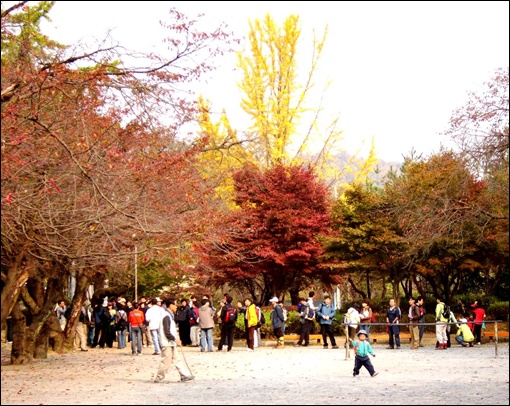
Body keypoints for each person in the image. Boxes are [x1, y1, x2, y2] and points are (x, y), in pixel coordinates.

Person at [154, 298, 194, 383]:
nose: (176, 306)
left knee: (177, 359)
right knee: (166, 361)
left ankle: (184, 375)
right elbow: (167, 331)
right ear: (171, 305)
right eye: (175, 304)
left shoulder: (170, 316)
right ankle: (159, 376)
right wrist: (175, 339)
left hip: (171, 342)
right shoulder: (166, 316)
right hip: (167, 342)